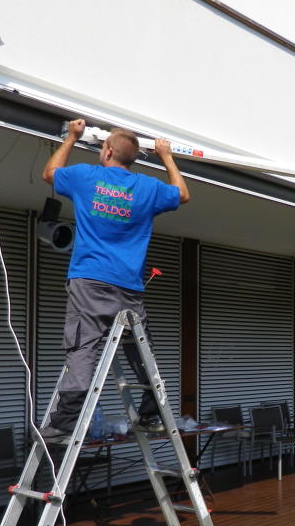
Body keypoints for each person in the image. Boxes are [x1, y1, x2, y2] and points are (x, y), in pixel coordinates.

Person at [39, 119, 190, 442]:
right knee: (138, 350)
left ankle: (63, 422)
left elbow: (50, 173)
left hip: (90, 280)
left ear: (106, 150)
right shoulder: (147, 188)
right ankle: (152, 416)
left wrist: (72, 137)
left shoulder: (85, 176)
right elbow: (183, 193)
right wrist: (166, 156)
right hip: (129, 286)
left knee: (83, 347)